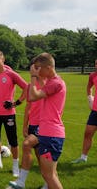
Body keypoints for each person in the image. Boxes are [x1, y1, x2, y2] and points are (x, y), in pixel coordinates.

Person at [28, 52, 66, 189]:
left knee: (48, 175)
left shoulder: (55, 83)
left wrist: (33, 77)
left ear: (49, 68)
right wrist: (37, 74)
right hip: (48, 134)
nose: (37, 71)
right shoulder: (51, 82)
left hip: (51, 135)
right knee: (50, 174)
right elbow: (41, 84)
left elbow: (33, 96)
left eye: (39, 68)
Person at [8, 59, 47, 189]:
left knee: (26, 144)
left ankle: (21, 182)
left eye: (35, 68)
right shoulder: (31, 86)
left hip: (45, 125)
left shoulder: (50, 85)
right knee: (40, 156)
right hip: (33, 125)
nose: (33, 71)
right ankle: (48, 183)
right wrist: (25, 125)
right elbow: (28, 107)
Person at [71, 58, 97, 163]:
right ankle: (83, 157)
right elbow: (89, 88)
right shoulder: (93, 76)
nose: (96, 65)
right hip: (95, 111)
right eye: (96, 63)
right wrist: (90, 98)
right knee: (88, 133)